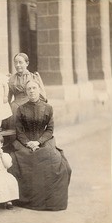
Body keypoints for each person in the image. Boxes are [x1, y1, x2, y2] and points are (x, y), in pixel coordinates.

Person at [10, 80, 71, 211]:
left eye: (34, 88)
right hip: (24, 142)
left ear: (39, 90)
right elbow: (19, 131)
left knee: (55, 160)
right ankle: (26, 198)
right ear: (26, 92)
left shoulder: (48, 108)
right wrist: (28, 143)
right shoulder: (21, 109)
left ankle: (49, 201)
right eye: (29, 89)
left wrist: (38, 142)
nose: (31, 91)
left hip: (43, 140)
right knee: (17, 161)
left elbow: (49, 129)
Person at [7, 53, 47, 129]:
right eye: (15, 62)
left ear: (27, 63)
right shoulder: (11, 79)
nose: (17, 65)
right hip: (15, 108)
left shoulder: (34, 77)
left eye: (20, 62)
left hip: (31, 106)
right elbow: (7, 98)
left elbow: (42, 97)